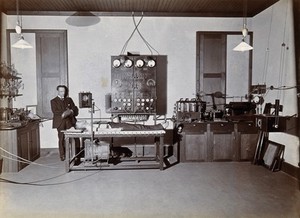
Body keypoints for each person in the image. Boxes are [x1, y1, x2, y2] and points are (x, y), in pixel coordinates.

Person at [50, 85, 78, 161]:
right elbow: (55, 111)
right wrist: (67, 112)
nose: (63, 93)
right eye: (61, 91)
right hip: (60, 122)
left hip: (69, 122)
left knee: (73, 138)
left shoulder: (69, 99)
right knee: (61, 139)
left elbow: (74, 108)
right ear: (58, 91)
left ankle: (74, 155)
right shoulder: (53, 101)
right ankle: (62, 155)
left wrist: (71, 111)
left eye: (64, 91)